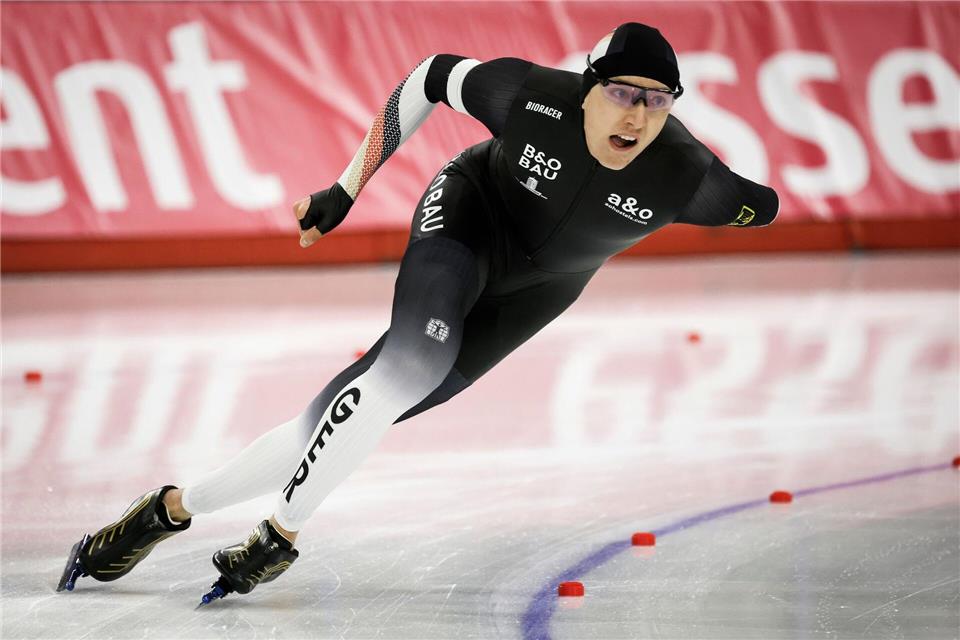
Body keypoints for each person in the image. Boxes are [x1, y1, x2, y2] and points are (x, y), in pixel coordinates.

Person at [58, 22, 778, 603]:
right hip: (469, 216)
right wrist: (344, 190)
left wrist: (757, 201)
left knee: (357, 409)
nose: (637, 114)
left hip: (541, 291)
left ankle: (167, 511)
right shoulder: (532, 97)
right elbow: (430, 75)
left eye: (658, 100)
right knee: (405, 370)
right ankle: (279, 535)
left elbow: (763, 206)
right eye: (623, 92)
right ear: (587, 87)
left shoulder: (693, 179)